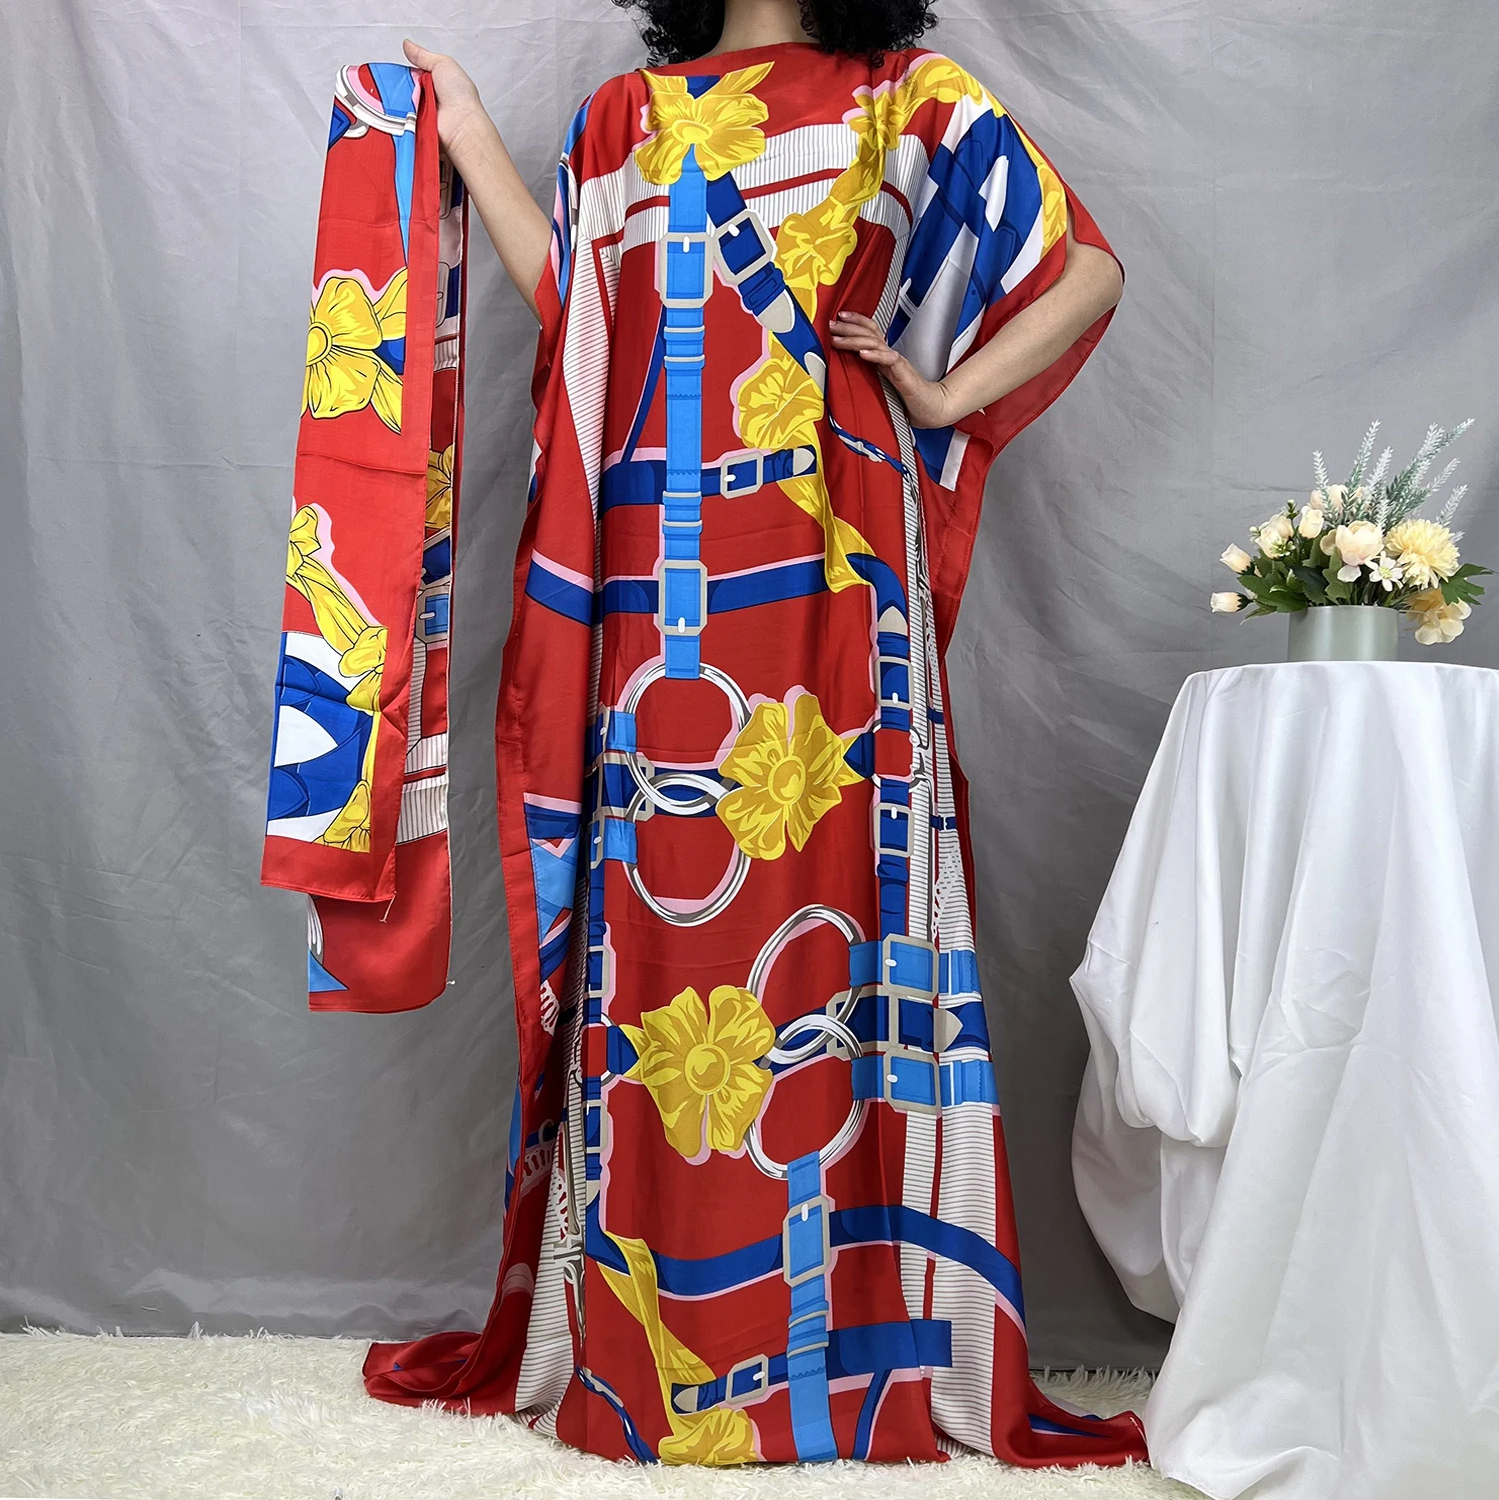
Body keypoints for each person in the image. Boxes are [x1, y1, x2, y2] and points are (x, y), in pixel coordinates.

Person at [365, 0, 1142, 1468]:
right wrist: (465, 134)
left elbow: (1084, 269)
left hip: (841, 583)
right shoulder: (626, 117)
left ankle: (859, 1340)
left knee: (852, 917)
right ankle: (671, 1342)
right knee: (669, 935)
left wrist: (942, 392)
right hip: (665, 600)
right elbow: (579, 310)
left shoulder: (904, 94)